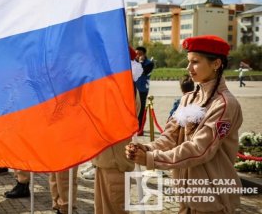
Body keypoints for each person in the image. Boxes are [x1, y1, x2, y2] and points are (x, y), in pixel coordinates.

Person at [126, 35, 243, 213]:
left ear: (216, 64)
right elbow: (169, 137)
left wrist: (151, 159)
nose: (189, 68)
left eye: (195, 62)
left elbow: (200, 149)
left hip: (212, 199)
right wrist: (145, 149)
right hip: (185, 196)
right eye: (188, 62)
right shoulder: (188, 98)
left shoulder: (225, 104)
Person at [91, 47, 141, 214]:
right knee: (102, 208)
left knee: (114, 208)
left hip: (115, 162)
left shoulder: (124, 88)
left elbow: (108, 117)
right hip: (104, 161)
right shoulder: (115, 86)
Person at [135, 46, 154, 132]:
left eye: (140, 54)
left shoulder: (149, 63)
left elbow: (143, 72)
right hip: (134, 88)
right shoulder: (133, 62)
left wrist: (141, 62)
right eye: (136, 54)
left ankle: (140, 128)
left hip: (143, 89)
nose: (138, 56)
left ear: (144, 54)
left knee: (142, 109)